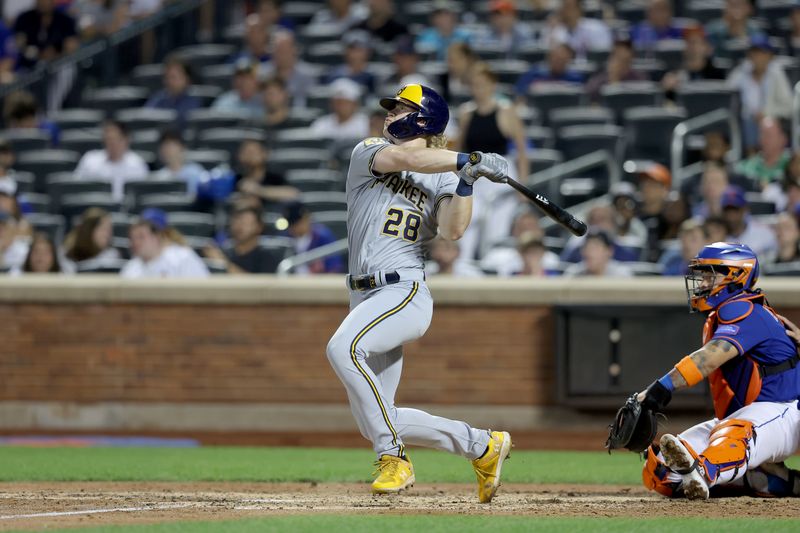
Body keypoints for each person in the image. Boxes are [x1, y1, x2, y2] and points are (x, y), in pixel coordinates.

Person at [325, 83, 512, 500]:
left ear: (424, 118)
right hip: (363, 295)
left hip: (403, 290)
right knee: (378, 416)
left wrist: (466, 181)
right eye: (391, 109)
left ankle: (394, 459)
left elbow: (453, 230)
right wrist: (468, 159)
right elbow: (409, 158)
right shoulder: (370, 150)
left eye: (400, 108)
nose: (389, 115)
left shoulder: (445, 172)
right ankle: (482, 445)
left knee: (342, 349)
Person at [634, 242, 800, 500]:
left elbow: (708, 359)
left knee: (734, 432)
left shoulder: (747, 311)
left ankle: (706, 471)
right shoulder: (721, 315)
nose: (702, 282)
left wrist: (659, 390)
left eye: (711, 275)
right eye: (702, 274)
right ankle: (775, 481)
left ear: (737, 277)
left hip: (783, 411)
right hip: (750, 414)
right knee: (663, 472)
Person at [455, 62, 529, 183]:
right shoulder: (465, 113)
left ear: (493, 84)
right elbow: (457, 150)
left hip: (501, 173)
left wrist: (523, 183)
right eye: (475, 85)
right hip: (473, 176)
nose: (479, 89)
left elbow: (521, 150)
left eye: (483, 84)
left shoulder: (507, 111)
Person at [727, 37, 793, 153]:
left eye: (762, 53)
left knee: (766, 123)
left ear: (770, 56)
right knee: (745, 122)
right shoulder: (741, 73)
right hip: (743, 121)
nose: (757, 57)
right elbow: (726, 94)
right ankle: (749, 157)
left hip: (770, 122)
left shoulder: (776, 75)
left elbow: (788, 107)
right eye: (754, 52)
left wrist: (766, 113)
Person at [74, 119, 149, 202]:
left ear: (126, 139)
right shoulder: (90, 160)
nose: (112, 144)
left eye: (116, 139)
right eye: (108, 139)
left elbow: (142, 196)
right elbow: (77, 190)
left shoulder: (137, 164)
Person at [121, 208, 209, 278]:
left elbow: (202, 289)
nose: (136, 242)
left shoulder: (182, 257)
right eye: (132, 238)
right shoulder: (131, 267)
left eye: (141, 237)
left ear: (156, 237)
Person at [203, 205, 282, 273]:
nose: (240, 227)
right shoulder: (224, 252)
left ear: (259, 227)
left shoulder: (266, 258)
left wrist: (223, 263)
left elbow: (257, 286)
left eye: (245, 223)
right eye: (236, 221)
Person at [661, 25, 726, 101]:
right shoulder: (675, 75)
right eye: (688, 42)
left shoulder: (719, 75)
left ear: (707, 48)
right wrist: (667, 90)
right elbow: (670, 105)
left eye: (697, 42)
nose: (692, 47)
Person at [13, 0, 79, 71]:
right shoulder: (24, 18)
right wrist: (38, 54)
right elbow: (18, 44)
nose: (43, 3)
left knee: (68, 67)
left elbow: (72, 45)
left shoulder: (65, 19)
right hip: (30, 64)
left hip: (58, 62)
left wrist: (56, 54)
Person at [282, 200, 344, 274]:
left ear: (306, 218)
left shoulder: (323, 237)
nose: (294, 228)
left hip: (317, 283)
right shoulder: (284, 238)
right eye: (291, 225)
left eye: (297, 223)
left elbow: (334, 269)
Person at [144, 54, 201, 132]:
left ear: (187, 79)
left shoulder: (194, 99)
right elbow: (147, 117)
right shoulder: (158, 98)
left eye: (174, 77)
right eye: (167, 77)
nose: (170, 81)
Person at [234, 139, 299, 204]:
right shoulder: (236, 178)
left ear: (264, 154)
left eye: (252, 152)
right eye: (245, 152)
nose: (249, 156)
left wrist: (258, 190)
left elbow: (293, 193)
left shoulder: (274, 177)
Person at [514, 43, 584, 102]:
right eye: (556, 59)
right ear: (549, 58)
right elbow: (520, 94)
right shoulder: (533, 74)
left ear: (568, 61)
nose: (558, 62)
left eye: (562, 60)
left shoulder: (575, 79)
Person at [540, 0, 612, 58]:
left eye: (569, 7)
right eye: (563, 7)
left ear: (579, 9)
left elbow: (602, 56)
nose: (565, 11)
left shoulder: (596, 28)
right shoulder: (555, 31)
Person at [720, 185, 777, 258]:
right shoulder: (717, 236)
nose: (731, 215)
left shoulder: (763, 233)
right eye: (727, 210)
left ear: (745, 209)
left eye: (735, 210)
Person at [586, 37, 648, 104]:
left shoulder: (639, 78)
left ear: (632, 54)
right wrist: (613, 77)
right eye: (618, 50)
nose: (622, 52)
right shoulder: (600, 79)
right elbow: (588, 96)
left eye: (626, 47)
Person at [734, 117, 791, 189]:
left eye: (768, 135)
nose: (763, 139)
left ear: (783, 139)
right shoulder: (747, 166)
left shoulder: (792, 164)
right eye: (761, 134)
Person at [151, 130, 208, 197]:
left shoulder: (196, 171)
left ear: (182, 147)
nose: (168, 150)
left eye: (172, 145)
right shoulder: (158, 177)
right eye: (165, 146)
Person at [563, 228, 634, 277]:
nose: (589, 252)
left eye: (595, 247)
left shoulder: (621, 275)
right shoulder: (574, 273)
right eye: (587, 247)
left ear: (609, 251)